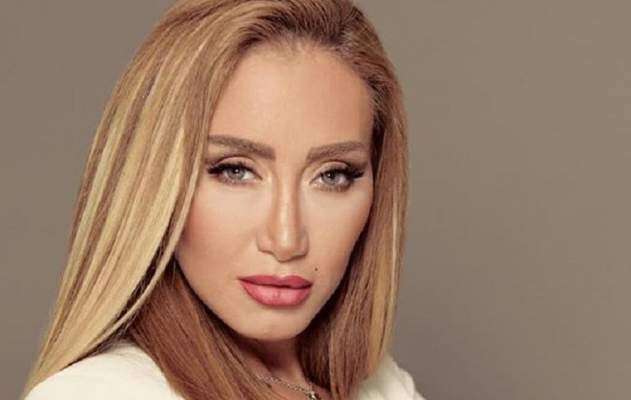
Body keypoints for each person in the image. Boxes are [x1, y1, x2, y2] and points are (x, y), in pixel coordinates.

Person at [21, 0, 424, 399]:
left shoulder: (383, 386)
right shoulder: (98, 393)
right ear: (154, 183)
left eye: (332, 175)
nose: (285, 240)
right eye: (235, 171)